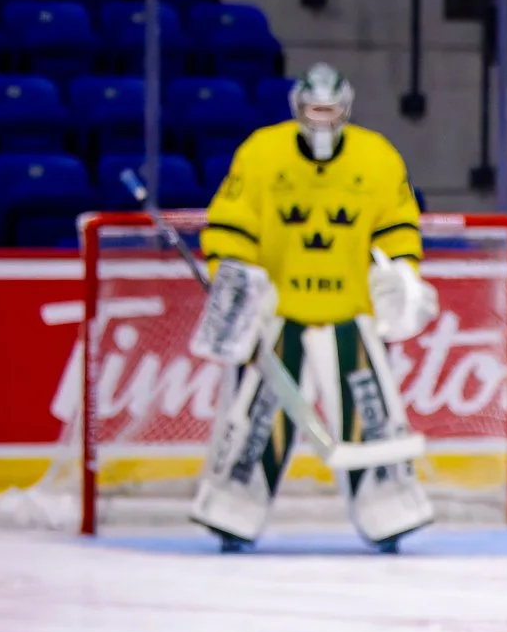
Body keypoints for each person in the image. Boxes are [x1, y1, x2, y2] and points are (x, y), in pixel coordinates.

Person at [186, 64, 440, 550]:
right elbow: (231, 223)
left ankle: (388, 509)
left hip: (351, 312)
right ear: (297, 107)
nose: (322, 119)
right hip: (279, 315)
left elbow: (397, 225)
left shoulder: (378, 156)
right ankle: (231, 510)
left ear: (346, 107)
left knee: (372, 412)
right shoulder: (262, 152)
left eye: (330, 109)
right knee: (256, 418)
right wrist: (234, 279)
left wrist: (401, 273)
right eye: (313, 109)